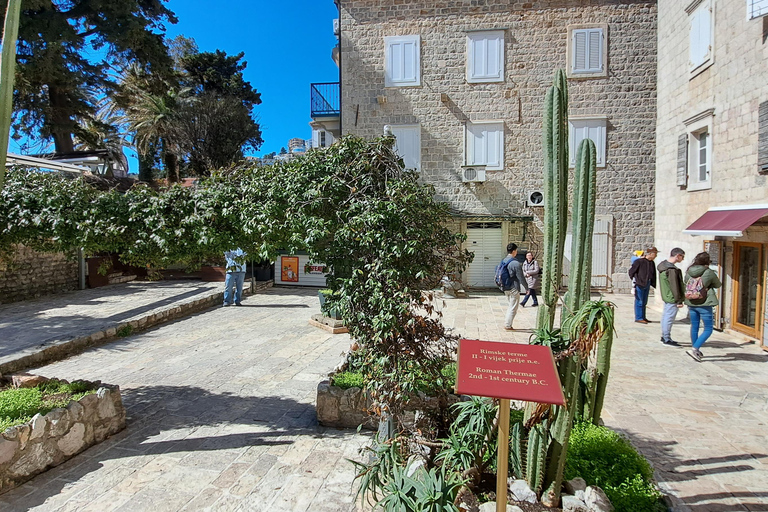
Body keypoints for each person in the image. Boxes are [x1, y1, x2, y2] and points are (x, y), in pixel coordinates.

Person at [684, 252, 721, 362]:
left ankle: (695, 349)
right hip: (704, 303)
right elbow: (717, 284)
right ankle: (695, 348)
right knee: (708, 328)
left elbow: (685, 283)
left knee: (694, 326)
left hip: (691, 302)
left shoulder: (689, 271)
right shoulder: (708, 272)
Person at [657, 248, 685, 346]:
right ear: (677, 256)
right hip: (672, 297)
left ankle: (664, 336)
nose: (683, 259)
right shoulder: (671, 270)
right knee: (669, 317)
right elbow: (674, 286)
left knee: (666, 316)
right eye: (682, 256)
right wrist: (679, 300)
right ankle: (666, 338)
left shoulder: (663, 266)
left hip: (667, 295)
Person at [502, 243, 528, 331]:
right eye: (516, 250)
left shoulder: (504, 260)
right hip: (513, 288)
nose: (516, 252)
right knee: (513, 308)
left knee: (510, 306)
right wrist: (527, 288)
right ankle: (508, 325)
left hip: (506, 287)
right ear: (514, 251)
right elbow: (521, 277)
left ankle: (507, 323)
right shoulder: (515, 263)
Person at [628, 246, 658, 323]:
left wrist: (653, 282)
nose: (656, 256)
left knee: (644, 301)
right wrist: (636, 280)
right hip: (640, 284)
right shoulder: (639, 262)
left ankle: (643, 317)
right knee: (639, 301)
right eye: (655, 254)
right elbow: (631, 272)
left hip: (647, 283)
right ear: (651, 254)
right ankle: (639, 317)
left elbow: (653, 273)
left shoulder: (651, 263)